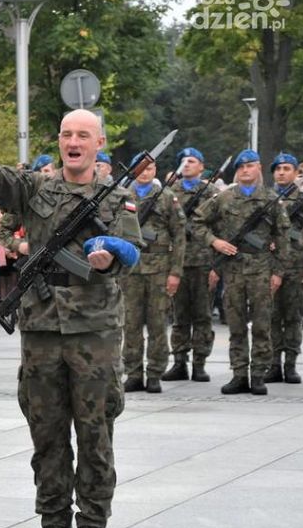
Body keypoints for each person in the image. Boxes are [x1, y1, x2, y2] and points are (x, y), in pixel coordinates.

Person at [0, 108, 142, 528]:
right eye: (66, 133)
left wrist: (110, 257)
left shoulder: (117, 197)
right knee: (46, 431)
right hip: (43, 328)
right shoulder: (38, 188)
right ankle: (54, 525)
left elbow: (131, 250)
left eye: (83, 134)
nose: (73, 141)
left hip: (95, 329)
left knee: (95, 431)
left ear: (99, 143)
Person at [194, 149, 289, 395]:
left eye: (250, 165)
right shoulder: (224, 198)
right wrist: (215, 242)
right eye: (241, 167)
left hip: (261, 269)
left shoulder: (271, 199)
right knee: (235, 325)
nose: (246, 170)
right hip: (233, 269)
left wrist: (278, 271)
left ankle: (258, 374)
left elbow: (283, 237)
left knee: (261, 324)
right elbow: (196, 221)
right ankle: (238, 374)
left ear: (258, 168)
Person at [123, 160, 185, 393]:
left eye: (149, 169)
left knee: (158, 323)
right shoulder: (123, 195)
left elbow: (179, 236)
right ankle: (134, 372)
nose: (145, 173)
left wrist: (175, 272)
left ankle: (155, 373)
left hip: (159, 268)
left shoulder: (167, 197)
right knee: (131, 324)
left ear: (155, 171)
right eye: (140, 169)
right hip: (131, 268)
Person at [164, 147, 216, 382]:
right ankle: (179, 361)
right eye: (183, 161)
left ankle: (200, 363)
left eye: (192, 161)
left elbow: (220, 228)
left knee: (203, 315)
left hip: (204, 262)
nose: (186, 164)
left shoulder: (212, 193)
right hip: (178, 263)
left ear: (201, 166)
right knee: (179, 315)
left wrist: (217, 266)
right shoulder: (168, 193)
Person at [264, 152, 303, 384]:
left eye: (286, 169)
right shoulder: (265, 199)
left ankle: (290, 365)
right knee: (270, 316)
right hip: (268, 265)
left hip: (296, 265)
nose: (281, 172)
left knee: (292, 317)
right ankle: (273, 364)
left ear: (296, 172)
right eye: (278, 169)